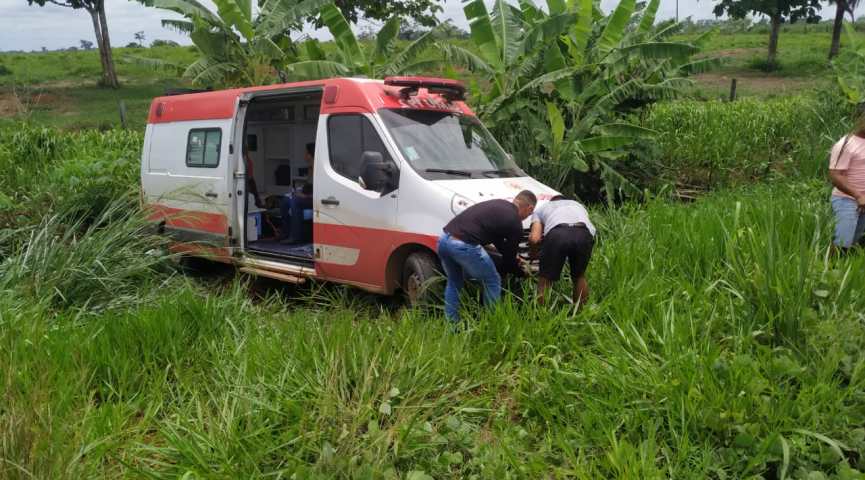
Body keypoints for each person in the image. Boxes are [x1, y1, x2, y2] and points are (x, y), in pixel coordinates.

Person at [437, 190, 537, 323]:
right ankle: (491, 323)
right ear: (529, 208)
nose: (527, 217)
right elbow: (508, 262)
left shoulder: (499, 205)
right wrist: (522, 273)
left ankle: (451, 324)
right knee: (493, 280)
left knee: (454, 282)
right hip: (463, 246)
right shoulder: (515, 223)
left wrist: (513, 256)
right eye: (529, 214)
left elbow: (497, 239)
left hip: (444, 240)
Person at [528, 195, 596, 307]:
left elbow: (534, 239)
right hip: (584, 234)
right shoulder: (578, 205)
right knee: (579, 276)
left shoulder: (541, 209)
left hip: (558, 234)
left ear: (551, 202)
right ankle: (581, 312)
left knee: (545, 279)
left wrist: (534, 255)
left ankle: (540, 314)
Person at [829, 113, 865, 251]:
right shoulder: (846, 144)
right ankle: (827, 263)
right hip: (846, 199)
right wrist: (858, 196)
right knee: (842, 242)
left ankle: (843, 263)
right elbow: (835, 175)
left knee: (854, 241)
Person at [280, 142, 315, 244]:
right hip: (308, 196)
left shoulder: (319, 169)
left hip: (315, 198)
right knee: (285, 200)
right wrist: (298, 191)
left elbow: (320, 189)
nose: (305, 155)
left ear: (310, 154)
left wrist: (305, 195)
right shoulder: (310, 168)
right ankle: (285, 233)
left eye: (306, 153)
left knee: (295, 201)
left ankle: (295, 237)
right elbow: (309, 186)